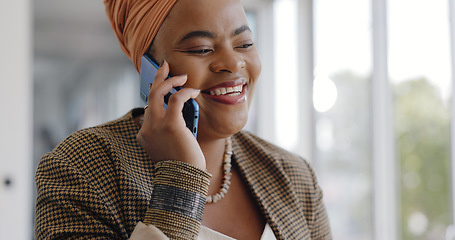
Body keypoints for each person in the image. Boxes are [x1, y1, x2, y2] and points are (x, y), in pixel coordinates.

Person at [34, 0, 332, 239]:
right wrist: (180, 180)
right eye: (201, 49)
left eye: (244, 43)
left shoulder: (293, 175)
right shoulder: (81, 165)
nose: (233, 63)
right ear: (150, 69)